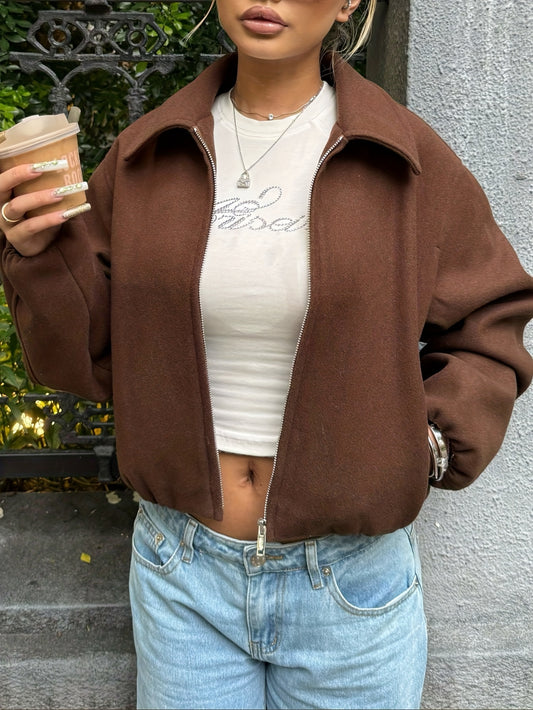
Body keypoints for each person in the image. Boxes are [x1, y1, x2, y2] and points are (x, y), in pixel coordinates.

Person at [1, 0, 532, 707]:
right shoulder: (146, 153)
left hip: (350, 588)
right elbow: (82, 355)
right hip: (182, 574)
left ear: (347, 3)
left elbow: (489, 317)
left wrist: (430, 442)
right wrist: (38, 256)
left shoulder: (404, 155)